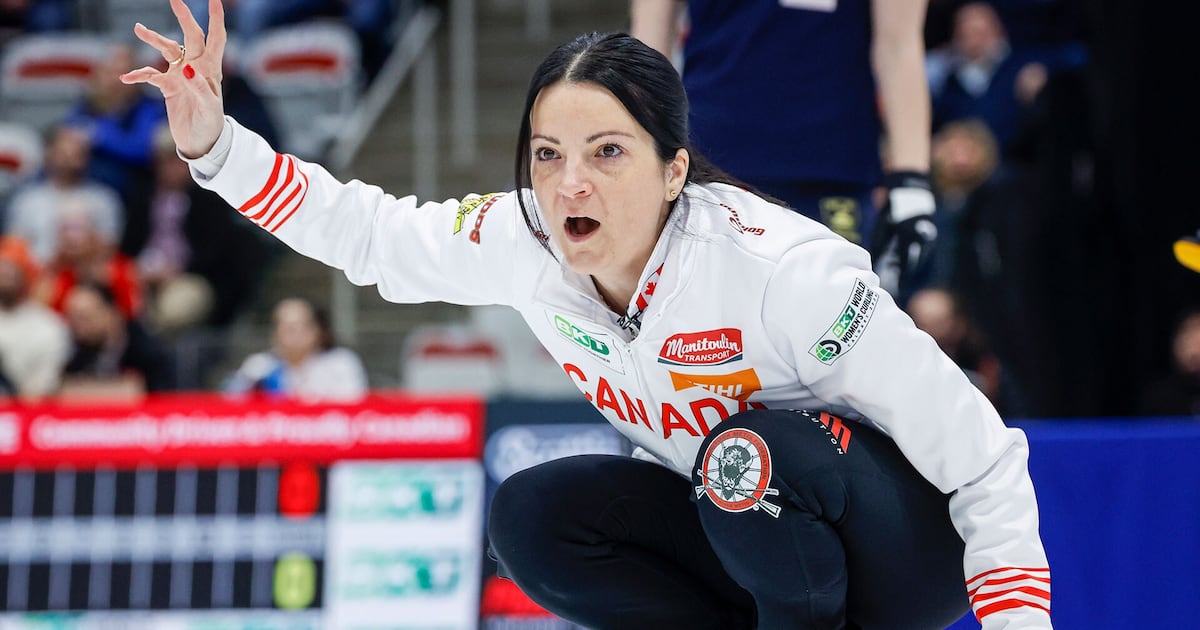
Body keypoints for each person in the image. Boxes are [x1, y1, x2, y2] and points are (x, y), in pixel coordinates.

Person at [121, 2, 1051, 627]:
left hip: (902, 561)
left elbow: (983, 460)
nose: (572, 183)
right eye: (548, 154)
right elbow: (368, 234)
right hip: (752, 534)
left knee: (747, 453)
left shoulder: (786, 272)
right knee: (534, 514)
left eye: (608, 152)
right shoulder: (524, 237)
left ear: (675, 168)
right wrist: (215, 144)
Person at [630, 0, 939, 302]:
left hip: (832, 163)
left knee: (831, 328)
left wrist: (911, 182)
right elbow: (646, 52)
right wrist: (639, 157)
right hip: (711, 162)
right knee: (714, 329)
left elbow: (899, 45)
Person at [4, 124, 124, 264]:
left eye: (76, 153)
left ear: (87, 157)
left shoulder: (104, 199)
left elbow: (109, 249)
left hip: (86, 276)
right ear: (48, 153)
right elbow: (14, 250)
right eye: (63, 153)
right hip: (37, 277)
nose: (69, 160)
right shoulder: (26, 200)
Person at [222, 297, 367, 402]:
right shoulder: (260, 365)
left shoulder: (340, 362)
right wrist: (251, 382)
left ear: (317, 330)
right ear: (275, 332)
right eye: (287, 327)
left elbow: (353, 404)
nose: (295, 334)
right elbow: (230, 402)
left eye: (301, 326)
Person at [60, 280, 174, 395]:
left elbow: (159, 396)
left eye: (85, 318)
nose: (79, 328)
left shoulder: (147, 351)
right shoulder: (77, 351)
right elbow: (65, 391)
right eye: (73, 320)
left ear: (112, 314)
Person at [0, 235, 70, 400]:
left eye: (12, 273)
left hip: (27, 412)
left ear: (26, 277)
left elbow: (44, 386)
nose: (4, 279)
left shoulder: (50, 325)